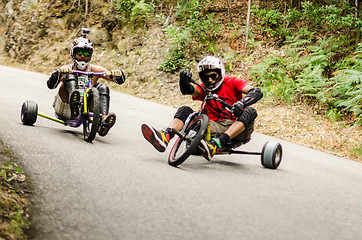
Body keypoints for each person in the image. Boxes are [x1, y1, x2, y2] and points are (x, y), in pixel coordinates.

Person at [141, 56, 263, 160]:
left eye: (213, 76)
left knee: (250, 112)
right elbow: (189, 90)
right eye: (205, 77)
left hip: (237, 128)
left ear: (220, 73)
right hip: (213, 127)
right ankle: (165, 136)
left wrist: (242, 103)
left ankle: (216, 144)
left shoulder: (232, 82)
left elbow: (256, 92)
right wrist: (183, 81)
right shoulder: (204, 88)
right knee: (185, 110)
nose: (210, 80)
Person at [46, 29, 126, 137]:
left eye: (86, 53)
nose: (82, 56)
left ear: (90, 55)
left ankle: (103, 120)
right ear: (73, 53)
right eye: (79, 52)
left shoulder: (94, 70)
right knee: (70, 75)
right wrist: (59, 73)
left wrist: (118, 74)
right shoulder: (67, 68)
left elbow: (114, 78)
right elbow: (50, 85)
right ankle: (73, 101)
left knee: (102, 87)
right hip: (65, 107)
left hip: (84, 111)